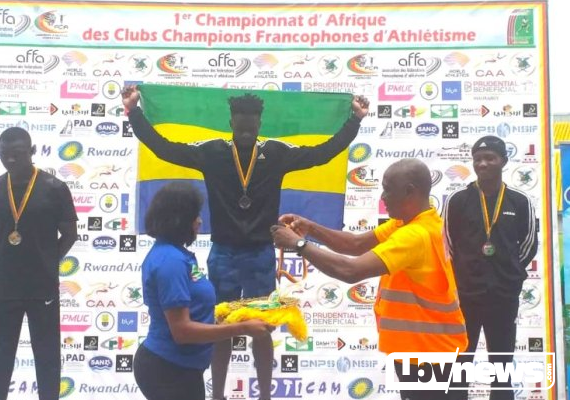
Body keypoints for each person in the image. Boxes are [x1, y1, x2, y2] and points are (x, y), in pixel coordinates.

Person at [123, 85, 370, 400]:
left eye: (250, 127)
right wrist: (134, 112)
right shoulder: (212, 152)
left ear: (259, 124)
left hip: (260, 254)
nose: (245, 132)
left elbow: (322, 154)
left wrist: (354, 121)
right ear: (231, 122)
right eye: (240, 126)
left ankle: (265, 395)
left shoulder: (276, 154)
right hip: (222, 254)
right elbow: (164, 149)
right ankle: (217, 396)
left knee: (262, 328)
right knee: (219, 327)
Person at [271, 158, 468, 400]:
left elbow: (351, 270)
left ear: (409, 191)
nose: (382, 197)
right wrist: (311, 228)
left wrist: (299, 245)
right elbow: (355, 244)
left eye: (388, 189)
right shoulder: (415, 223)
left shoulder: (414, 236)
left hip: (430, 357)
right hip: (426, 350)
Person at [134, 182, 273, 400]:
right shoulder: (170, 262)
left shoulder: (177, 255)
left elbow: (199, 311)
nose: (200, 221)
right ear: (178, 220)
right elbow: (182, 331)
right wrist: (243, 328)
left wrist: (244, 312)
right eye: (194, 216)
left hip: (183, 368)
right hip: (168, 371)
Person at [0, 127, 78, 400]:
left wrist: (48, 260)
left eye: (18, 153)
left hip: (42, 287)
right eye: (4, 154)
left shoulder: (55, 188)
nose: (10, 160)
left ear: (32, 152)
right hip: (2, 288)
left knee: (47, 360)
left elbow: (70, 234)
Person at [442, 136, 538, 400]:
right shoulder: (458, 200)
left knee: (502, 367)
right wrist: (464, 275)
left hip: (503, 297)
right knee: (460, 366)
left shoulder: (519, 201)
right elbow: (447, 244)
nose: (482, 164)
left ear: (503, 161)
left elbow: (529, 244)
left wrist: (509, 274)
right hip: (465, 297)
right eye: (477, 159)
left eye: (490, 158)